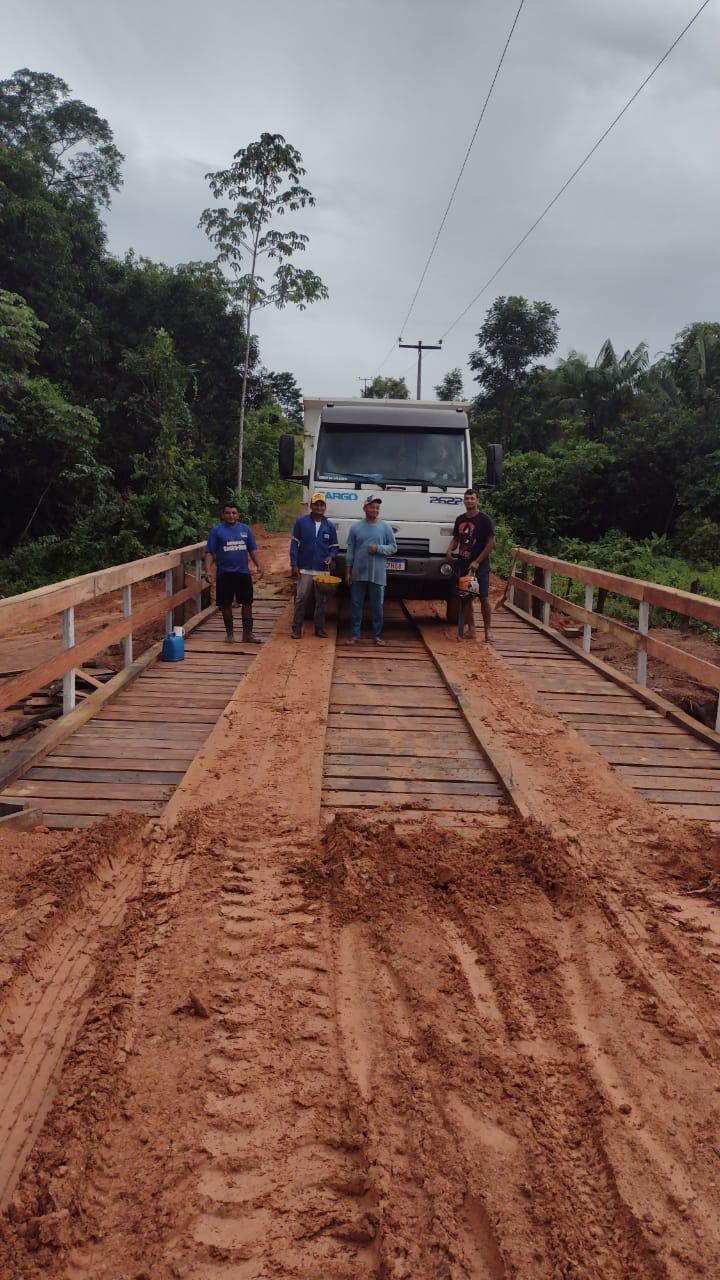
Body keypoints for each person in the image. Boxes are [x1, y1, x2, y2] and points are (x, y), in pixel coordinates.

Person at [204, 502, 264, 643]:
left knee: (247, 603)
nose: (231, 516)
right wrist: (208, 570)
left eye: (234, 513)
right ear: (223, 515)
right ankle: (230, 634)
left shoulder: (245, 529)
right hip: (224, 573)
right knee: (225, 604)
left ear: (238, 515)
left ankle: (247, 634)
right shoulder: (216, 531)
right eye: (228, 513)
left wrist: (259, 565)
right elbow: (210, 552)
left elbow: (252, 549)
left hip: (243, 572)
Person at [344, 495, 397, 645]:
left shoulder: (385, 527)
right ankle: (355, 634)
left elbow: (393, 547)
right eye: (372, 507)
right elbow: (350, 551)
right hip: (358, 573)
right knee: (356, 605)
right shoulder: (355, 528)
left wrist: (378, 548)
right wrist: (348, 571)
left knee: (378, 606)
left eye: (377, 508)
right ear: (365, 508)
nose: (375, 510)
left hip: (378, 574)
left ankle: (377, 635)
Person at [445, 489, 496, 642]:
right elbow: (456, 538)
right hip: (463, 563)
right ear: (464, 501)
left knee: (484, 597)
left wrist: (477, 561)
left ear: (477, 500)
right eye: (467, 499)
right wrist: (449, 549)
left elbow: (491, 543)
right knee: (466, 597)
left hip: (481, 565)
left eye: (472, 498)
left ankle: (488, 631)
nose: (469, 501)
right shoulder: (460, 519)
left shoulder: (485, 520)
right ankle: (471, 628)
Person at [289, 493, 339, 639]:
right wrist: (294, 564)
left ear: (325, 507)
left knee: (322, 601)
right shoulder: (301, 523)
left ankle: (319, 628)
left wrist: (331, 556)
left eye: (322, 505)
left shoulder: (329, 526)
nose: (319, 507)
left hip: (322, 570)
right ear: (311, 506)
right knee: (301, 599)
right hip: (304, 568)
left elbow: (334, 547)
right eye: (316, 504)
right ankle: (296, 629)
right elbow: (294, 544)